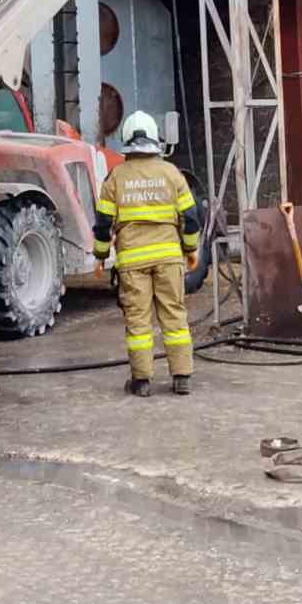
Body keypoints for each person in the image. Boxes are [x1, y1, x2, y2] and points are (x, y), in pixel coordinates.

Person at [93, 111, 200, 398]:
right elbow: (190, 217)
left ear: (127, 139)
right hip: (169, 259)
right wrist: (190, 250)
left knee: (138, 321)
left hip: (132, 261)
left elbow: (103, 223)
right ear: (155, 138)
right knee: (174, 315)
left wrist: (100, 254)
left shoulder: (116, 177)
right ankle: (182, 377)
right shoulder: (171, 173)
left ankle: (141, 381)